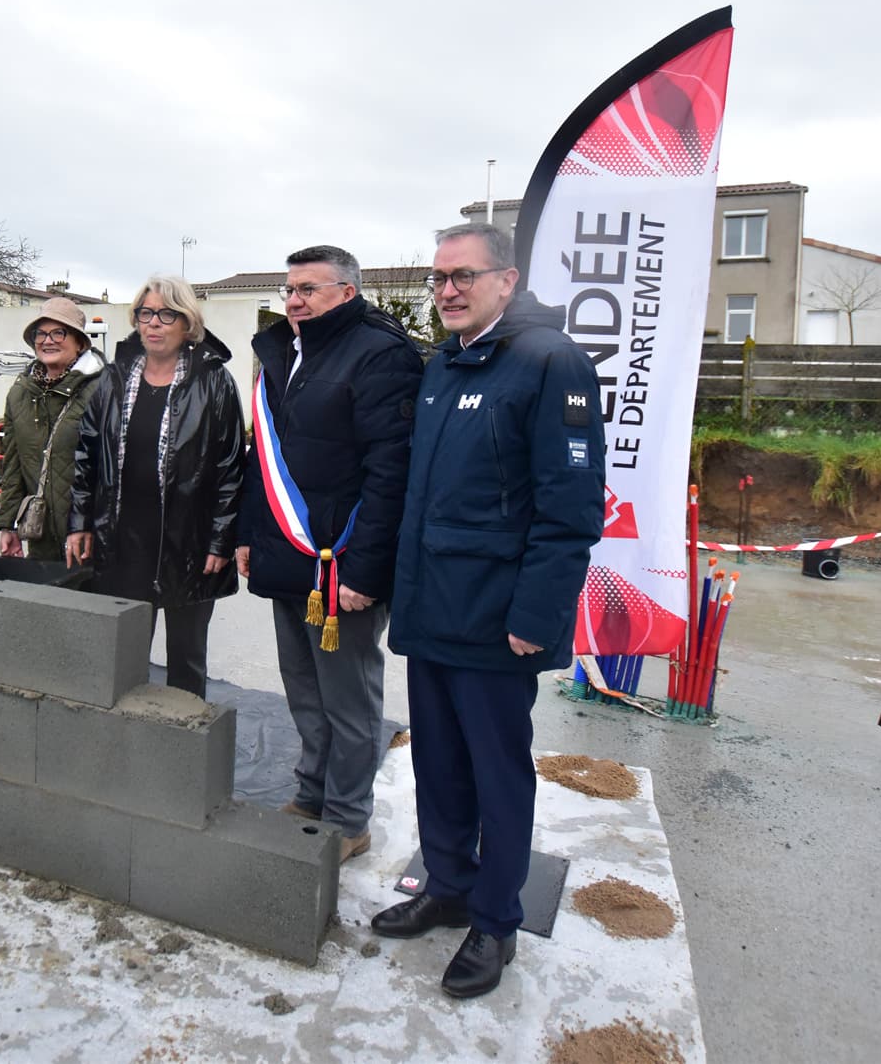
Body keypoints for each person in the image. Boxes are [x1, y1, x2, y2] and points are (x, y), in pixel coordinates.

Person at [371, 222, 606, 999]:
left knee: (497, 774)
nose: (447, 289)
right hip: (434, 609)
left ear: (507, 280)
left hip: (498, 618)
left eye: (463, 275)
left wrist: (538, 615)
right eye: (439, 276)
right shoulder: (445, 363)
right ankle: (447, 883)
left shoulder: (549, 361)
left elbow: (569, 509)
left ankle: (496, 920)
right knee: (437, 763)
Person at [237, 245, 421, 864]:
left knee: (348, 698)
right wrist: (247, 536)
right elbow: (260, 460)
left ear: (347, 292)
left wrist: (365, 570)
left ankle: (348, 818)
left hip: (341, 568)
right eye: (290, 289)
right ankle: (310, 797)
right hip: (289, 556)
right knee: (303, 691)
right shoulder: (279, 351)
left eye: (309, 289)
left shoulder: (380, 354)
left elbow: (389, 473)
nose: (293, 300)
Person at [66, 275, 243, 698]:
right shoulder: (113, 379)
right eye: (145, 314)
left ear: (188, 323)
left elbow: (230, 467)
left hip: (189, 544)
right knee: (123, 657)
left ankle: (184, 748)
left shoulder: (213, 382)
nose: (154, 324)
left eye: (166, 314)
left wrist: (220, 541)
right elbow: (87, 456)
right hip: (122, 542)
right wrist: (80, 522)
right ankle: (125, 747)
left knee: (186, 659)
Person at [0, 297, 106, 563]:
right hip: (42, 538)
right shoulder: (20, 393)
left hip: (95, 539)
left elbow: (115, 470)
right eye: (41, 333)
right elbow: (13, 466)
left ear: (79, 342)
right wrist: (8, 524)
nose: (48, 340)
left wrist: (87, 524)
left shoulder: (104, 389)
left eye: (59, 332)